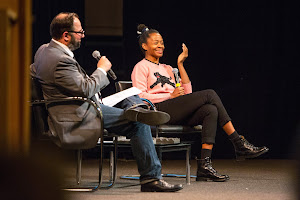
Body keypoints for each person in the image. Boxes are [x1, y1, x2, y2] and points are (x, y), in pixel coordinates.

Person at [31, 12, 183, 192]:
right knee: (139, 122)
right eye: (80, 32)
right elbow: (86, 89)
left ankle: (139, 108)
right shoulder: (60, 60)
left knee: (129, 96)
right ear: (66, 35)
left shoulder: (44, 50)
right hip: (77, 114)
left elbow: (33, 72)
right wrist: (101, 70)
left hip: (84, 105)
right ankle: (151, 178)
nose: (83, 35)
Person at [131, 24, 269, 182]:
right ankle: (238, 142)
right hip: (158, 111)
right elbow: (139, 97)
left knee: (210, 110)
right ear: (144, 46)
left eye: (162, 42)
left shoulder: (168, 68)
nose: (161, 45)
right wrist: (169, 96)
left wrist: (180, 65)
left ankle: (204, 166)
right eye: (156, 42)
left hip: (175, 109)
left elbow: (188, 94)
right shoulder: (140, 67)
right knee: (210, 94)